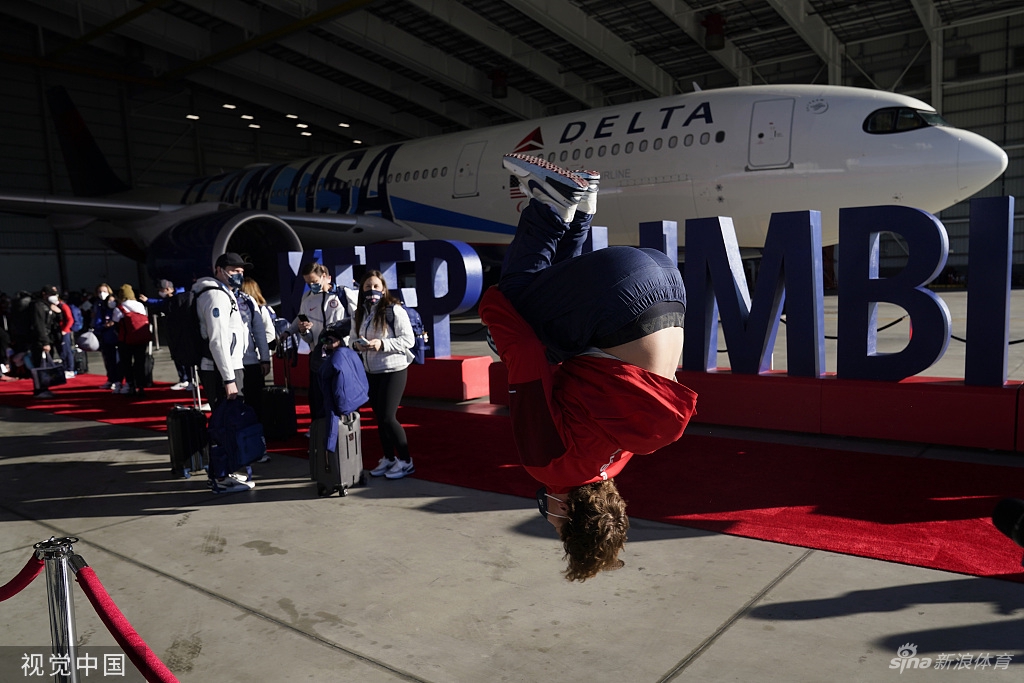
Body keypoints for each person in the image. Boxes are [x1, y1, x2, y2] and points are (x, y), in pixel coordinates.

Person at [479, 153, 698, 582]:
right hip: (621, 296)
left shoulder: (618, 460)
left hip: (668, 285)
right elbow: (524, 355)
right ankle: (552, 203)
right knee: (519, 297)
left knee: (549, 307)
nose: (548, 516)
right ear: (564, 512)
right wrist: (494, 309)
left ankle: (581, 205)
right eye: (555, 524)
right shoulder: (550, 465)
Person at [193, 252, 256, 493]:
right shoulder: (215, 295)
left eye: (241, 270)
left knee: (230, 423)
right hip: (221, 370)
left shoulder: (224, 293)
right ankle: (220, 477)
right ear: (219, 270)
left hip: (227, 367)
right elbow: (217, 340)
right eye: (233, 269)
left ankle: (226, 471)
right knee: (224, 424)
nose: (238, 274)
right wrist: (229, 378)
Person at [351, 270, 416, 480]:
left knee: (388, 417)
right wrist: (356, 345)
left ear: (384, 289)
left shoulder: (394, 310)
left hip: (393, 369)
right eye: (368, 287)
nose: (372, 291)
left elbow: (408, 340)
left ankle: (406, 461)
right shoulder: (359, 312)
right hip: (372, 371)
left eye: (376, 287)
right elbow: (352, 338)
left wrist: (382, 344)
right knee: (380, 418)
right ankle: (389, 457)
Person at [283, 262, 353, 420]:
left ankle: (343, 426)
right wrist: (292, 330)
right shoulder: (307, 298)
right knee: (317, 395)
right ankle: (318, 427)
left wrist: (342, 341)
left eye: (314, 282)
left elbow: (357, 321)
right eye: (308, 283)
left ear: (326, 277)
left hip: (341, 353)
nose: (312, 286)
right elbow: (300, 317)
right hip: (317, 354)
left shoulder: (343, 294)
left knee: (340, 392)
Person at [139, 279, 193, 390]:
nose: (160, 292)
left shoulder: (178, 298)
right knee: (178, 356)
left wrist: (148, 300)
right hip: (175, 332)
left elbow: (161, 303)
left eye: (161, 290)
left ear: (168, 289)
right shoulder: (172, 298)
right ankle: (185, 379)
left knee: (184, 357)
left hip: (182, 333)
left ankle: (188, 379)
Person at [109, 284, 151, 396]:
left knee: (126, 363)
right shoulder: (140, 305)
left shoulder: (120, 308)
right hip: (141, 339)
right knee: (139, 362)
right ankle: (141, 385)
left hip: (126, 340)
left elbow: (116, 324)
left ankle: (130, 384)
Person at [29, 285, 63, 398]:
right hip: (40, 340)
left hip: (48, 338)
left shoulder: (48, 306)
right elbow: (39, 325)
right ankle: (39, 389)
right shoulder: (38, 305)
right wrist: (44, 342)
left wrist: (58, 312)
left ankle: (44, 387)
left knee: (45, 365)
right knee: (40, 364)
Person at [91, 283, 120, 389]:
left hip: (112, 334)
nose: (101, 294)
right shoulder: (98, 304)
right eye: (99, 292)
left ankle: (117, 380)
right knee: (107, 359)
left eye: (104, 291)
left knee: (115, 359)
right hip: (101, 333)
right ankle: (111, 379)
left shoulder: (112, 303)